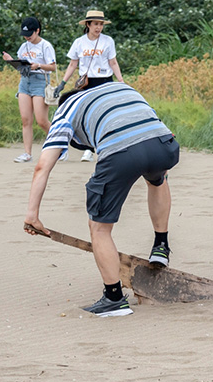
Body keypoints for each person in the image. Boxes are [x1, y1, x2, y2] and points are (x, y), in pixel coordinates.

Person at [22, 82, 180, 317]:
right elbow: (148, 123)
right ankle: (161, 246)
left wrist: (32, 214)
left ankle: (114, 299)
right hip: (163, 143)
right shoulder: (120, 88)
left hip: (121, 152)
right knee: (157, 179)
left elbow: (41, 167)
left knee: (99, 228)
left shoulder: (65, 111)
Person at [54, 9, 124, 162]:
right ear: (88, 24)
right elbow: (73, 64)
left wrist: (121, 81)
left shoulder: (108, 41)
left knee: (106, 114)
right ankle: (87, 149)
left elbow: (113, 62)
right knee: (86, 115)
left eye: (100, 24)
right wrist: (63, 83)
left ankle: (108, 146)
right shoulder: (79, 42)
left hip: (105, 80)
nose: (98, 28)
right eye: (95, 24)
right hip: (86, 82)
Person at [2, 17, 57, 163]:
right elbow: (21, 64)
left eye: (30, 34)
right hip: (25, 82)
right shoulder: (24, 46)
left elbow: (53, 67)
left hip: (40, 81)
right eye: (25, 35)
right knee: (26, 120)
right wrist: (10, 60)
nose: (27, 37)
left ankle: (60, 145)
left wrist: (38, 65)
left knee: (42, 121)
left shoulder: (45, 46)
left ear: (37, 31)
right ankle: (27, 153)